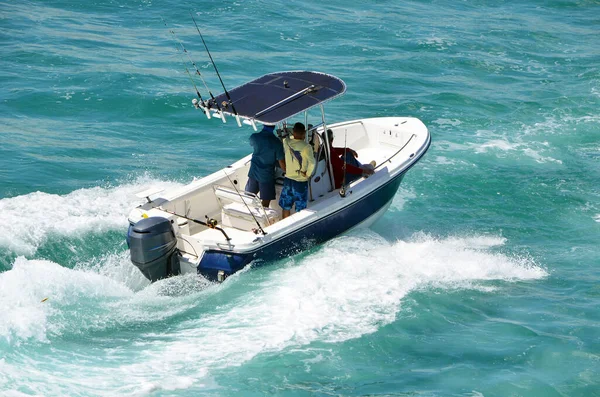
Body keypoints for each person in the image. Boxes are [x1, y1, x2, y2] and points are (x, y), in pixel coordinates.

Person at [279, 122, 316, 219]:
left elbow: (285, 138)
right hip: (300, 182)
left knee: (286, 206)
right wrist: (307, 174)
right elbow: (312, 163)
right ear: (304, 133)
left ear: (293, 132)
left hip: (288, 180)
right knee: (300, 209)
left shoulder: (286, 142)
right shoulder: (306, 147)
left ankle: (284, 225)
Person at [245, 124, 286, 207]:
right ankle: (264, 216)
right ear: (273, 127)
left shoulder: (254, 137)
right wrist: (288, 173)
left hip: (254, 171)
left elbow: (253, 145)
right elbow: (281, 161)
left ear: (263, 125)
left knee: (249, 196)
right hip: (266, 175)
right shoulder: (276, 142)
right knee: (266, 200)